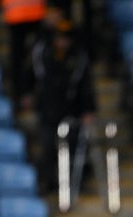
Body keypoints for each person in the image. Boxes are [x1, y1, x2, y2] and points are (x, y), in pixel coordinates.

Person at [30, 19, 95, 195]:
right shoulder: (43, 53)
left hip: (70, 109)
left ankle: (75, 183)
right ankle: (49, 182)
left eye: (66, 38)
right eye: (60, 37)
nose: (63, 42)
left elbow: (84, 85)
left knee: (74, 147)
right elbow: (34, 77)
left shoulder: (78, 58)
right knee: (47, 146)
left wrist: (88, 109)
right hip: (48, 108)